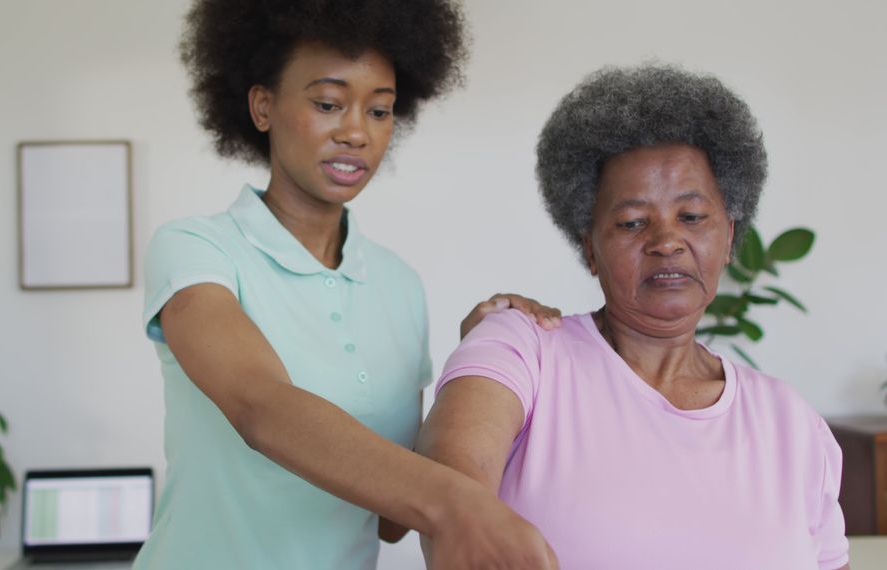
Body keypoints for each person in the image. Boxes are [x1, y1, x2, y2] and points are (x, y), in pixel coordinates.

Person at [134, 1, 561, 569]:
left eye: (380, 111)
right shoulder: (197, 250)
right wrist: (456, 503)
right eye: (328, 104)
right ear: (263, 106)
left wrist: (480, 356)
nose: (357, 132)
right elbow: (260, 406)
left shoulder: (398, 286)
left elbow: (389, 522)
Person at [417, 64, 850, 570]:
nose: (667, 241)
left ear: (729, 236)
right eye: (632, 222)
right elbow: (447, 494)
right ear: (590, 248)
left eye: (691, 217)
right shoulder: (523, 350)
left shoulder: (792, 423)